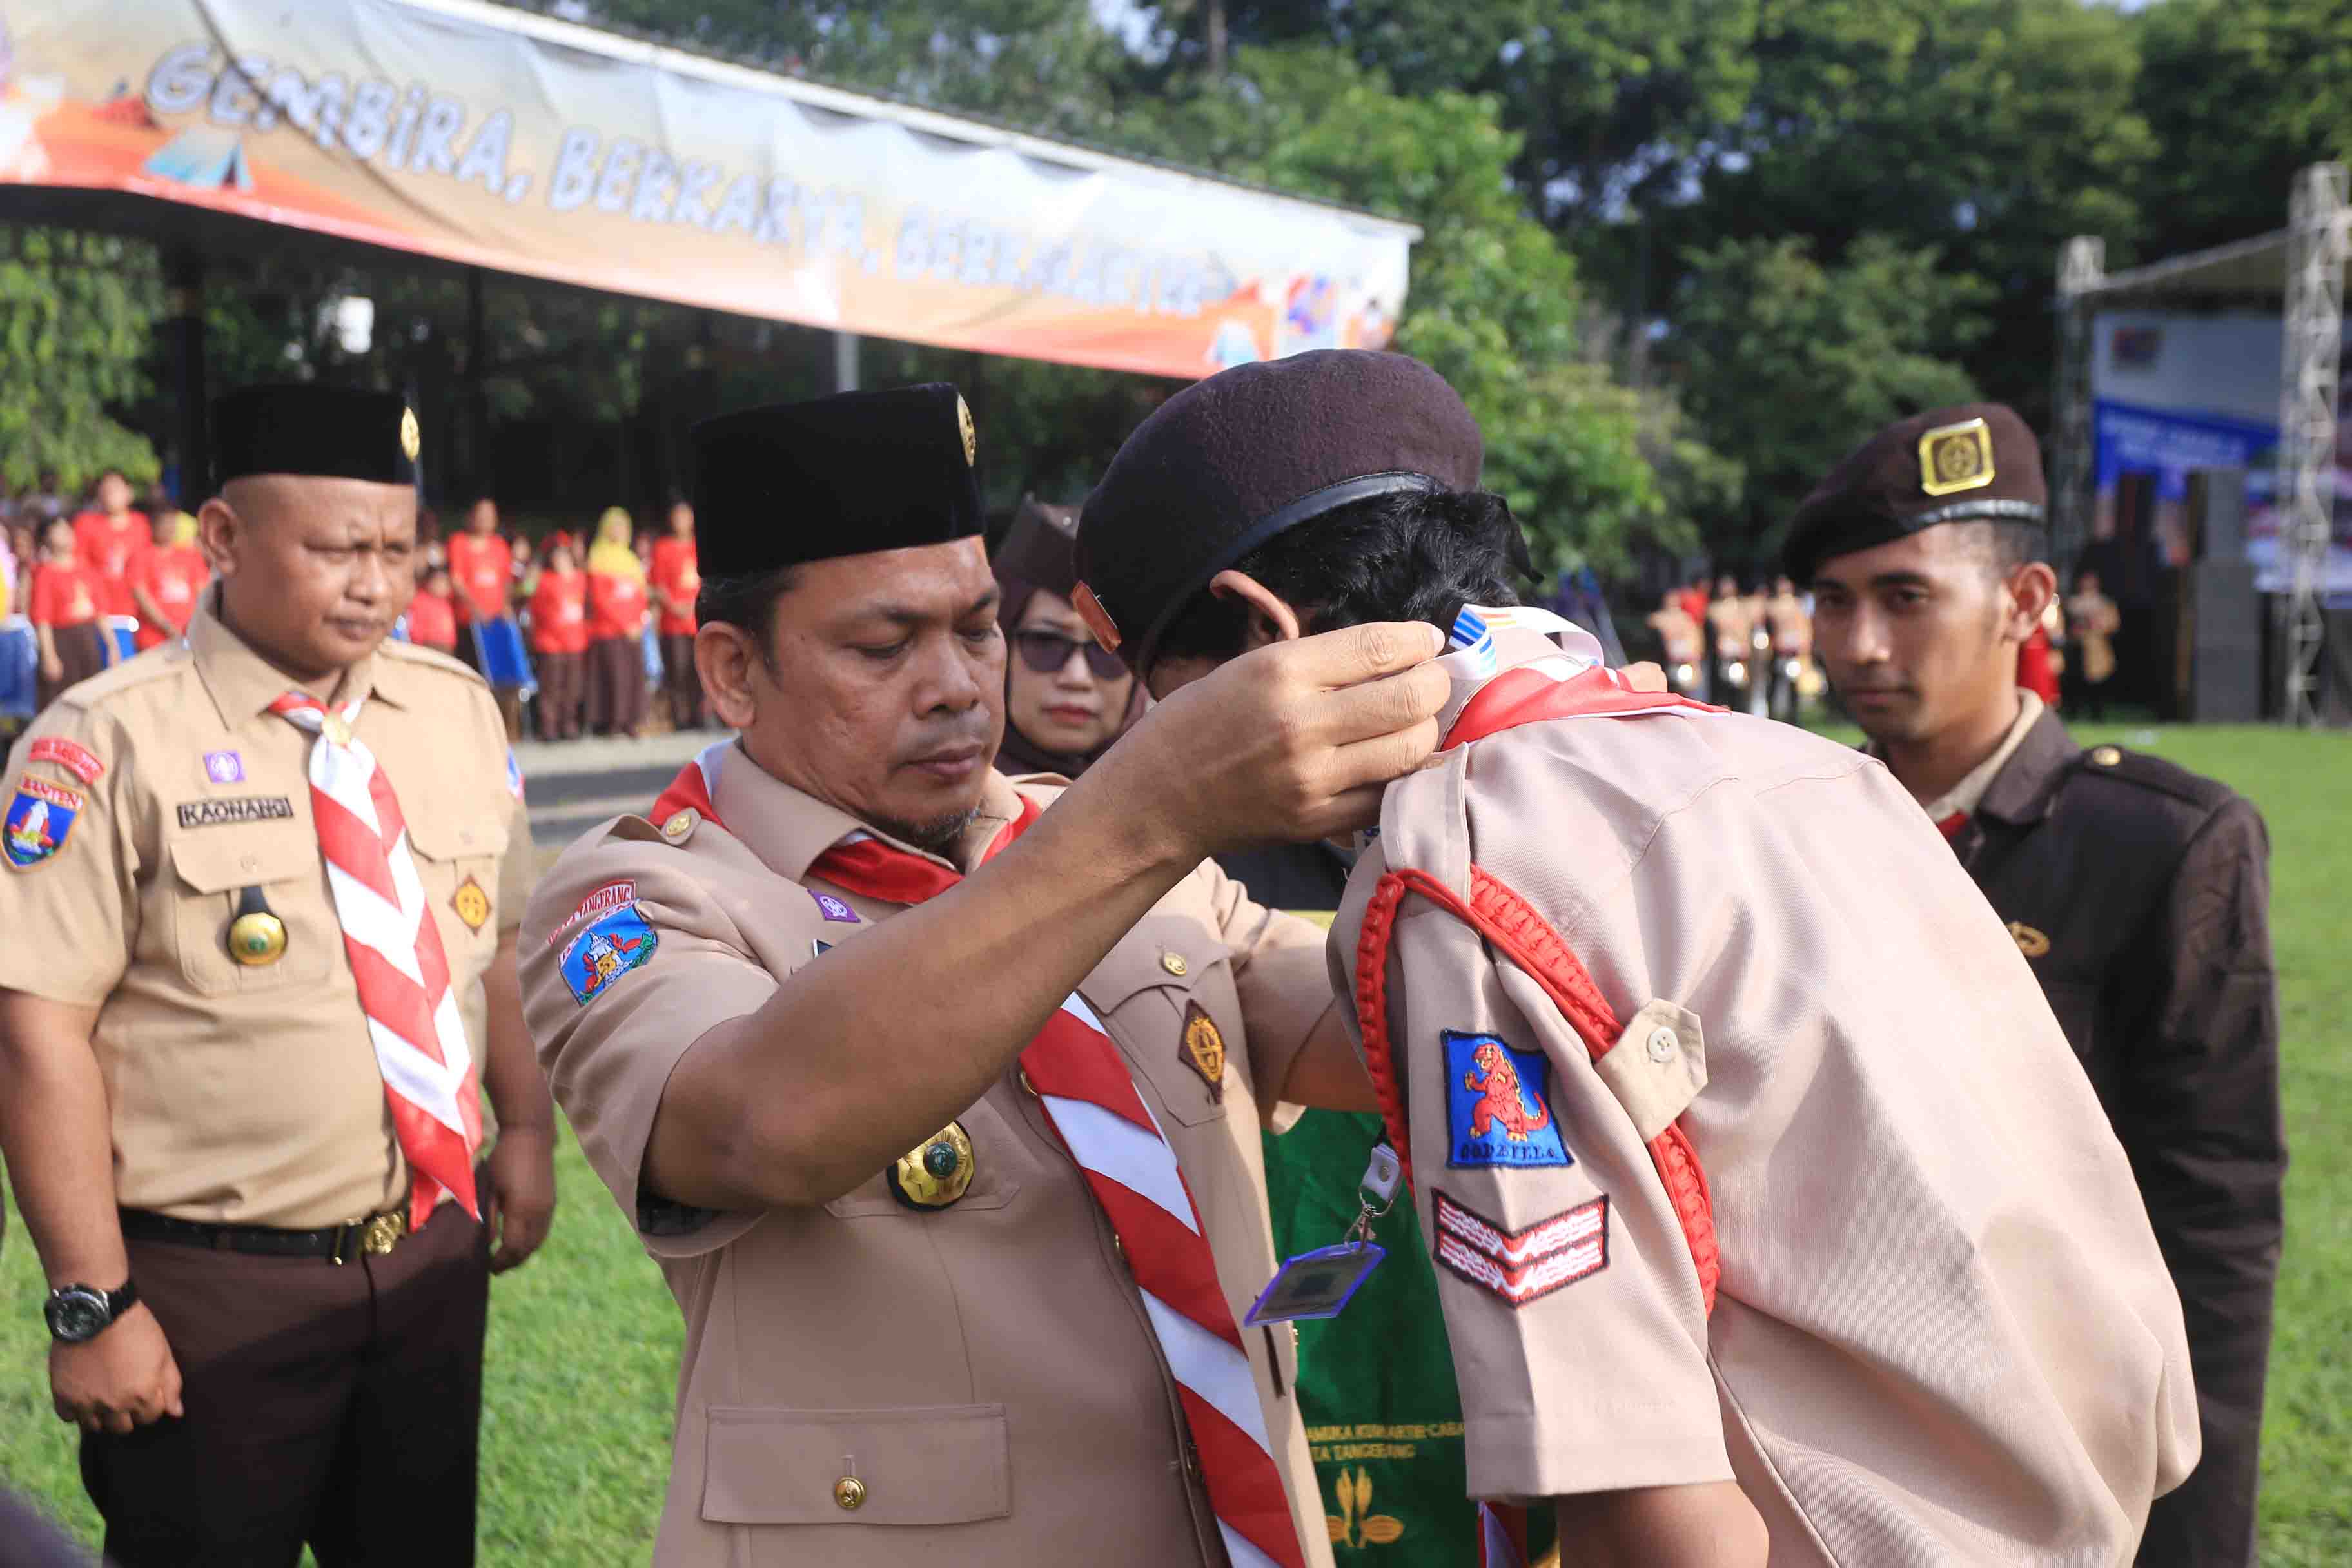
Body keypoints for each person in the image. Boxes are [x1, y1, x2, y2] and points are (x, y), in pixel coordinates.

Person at [1074, 350, 2200, 1568]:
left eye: (1169, 694)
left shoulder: (1458, 867)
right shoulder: (1802, 765)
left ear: (1265, 630)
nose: (1156, 739)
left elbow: (1645, 1510)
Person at [519, 382, 1455, 1567]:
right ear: (732, 670)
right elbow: (758, 1126)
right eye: (882, 645)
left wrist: (1490, 785)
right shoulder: (647, 894)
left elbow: (1362, 1024)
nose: (959, 684)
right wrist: (1141, 814)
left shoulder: (1090, 845)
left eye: (975, 628)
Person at [0, 385, 556, 1568]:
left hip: (426, 1262)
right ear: (221, 538)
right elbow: (35, 1026)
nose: (373, 581)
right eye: (335, 548)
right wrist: (92, 1302)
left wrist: (528, 1132)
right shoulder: (103, 740)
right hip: (213, 1291)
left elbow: (492, 945)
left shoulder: (453, 711)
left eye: (398, 550)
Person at [1792, 402, 2282, 1568]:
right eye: (1832, 599)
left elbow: (2210, 1217)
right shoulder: (1783, 826)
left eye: (1903, 597)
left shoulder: (2160, 843)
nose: (1856, 644)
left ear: (2021, 602)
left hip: (2056, 1434)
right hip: (1834, 1435)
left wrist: (2189, 1536)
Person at [990, 495, 1139, 778]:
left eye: (1107, 651)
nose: (1076, 678)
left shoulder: (1188, 800)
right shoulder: (940, 807)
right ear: (998, 644)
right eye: (1046, 643)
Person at [447, 496, 527, 739]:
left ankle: (506, 729)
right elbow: (457, 581)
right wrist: (474, 608)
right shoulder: (459, 543)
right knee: (474, 676)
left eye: (491, 515)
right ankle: (474, 730)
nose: (486, 520)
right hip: (470, 625)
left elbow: (506, 582)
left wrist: (504, 605)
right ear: (471, 516)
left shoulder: (500, 545)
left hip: (497, 624)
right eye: (481, 514)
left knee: (503, 678)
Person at [583, 506, 649, 738]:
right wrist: (624, 624)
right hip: (609, 631)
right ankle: (612, 722)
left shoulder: (630, 560)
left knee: (633, 675)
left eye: (623, 526)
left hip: (633, 629)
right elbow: (601, 600)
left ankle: (631, 721)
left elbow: (641, 596)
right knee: (614, 675)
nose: (620, 531)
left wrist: (638, 622)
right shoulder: (597, 558)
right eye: (615, 526)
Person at [29, 516, 106, 710]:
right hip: (62, 642)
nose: (65, 534)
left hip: (88, 640)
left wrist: (112, 646)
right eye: (58, 530)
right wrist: (49, 655)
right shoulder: (45, 574)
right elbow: (42, 619)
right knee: (61, 703)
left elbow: (100, 613)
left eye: (67, 529)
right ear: (46, 539)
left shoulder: (87, 569)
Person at [649, 496, 704, 730]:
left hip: (698, 618)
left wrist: (693, 605)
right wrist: (674, 606)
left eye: (686, 515)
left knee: (699, 670)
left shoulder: (699, 546)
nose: (682, 520)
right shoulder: (663, 548)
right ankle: (680, 718)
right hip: (673, 622)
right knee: (677, 669)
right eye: (678, 516)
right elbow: (657, 584)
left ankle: (699, 715)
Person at [527, 534, 589, 741]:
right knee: (551, 688)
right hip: (550, 643)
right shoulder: (543, 580)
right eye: (556, 555)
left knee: (572, 688)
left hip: (575, 642)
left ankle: (568, 724)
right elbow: (529, 599)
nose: (560, 559)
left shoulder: (580, 578)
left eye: (564, 555)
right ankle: (549, 727)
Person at [71, 470, 149, 619]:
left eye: (115, 489)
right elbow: (78, 567)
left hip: (136, 610)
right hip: (99, 610)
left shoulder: (141, 523)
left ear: (129, 493)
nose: (110, 493)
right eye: (105, 489)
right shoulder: (85, 524)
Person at [128, 506, 207, 652]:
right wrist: (167, 627)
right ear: (153, 526)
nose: (170, 528)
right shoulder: (141, 557)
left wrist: (196, 625)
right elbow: (141, 595)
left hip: (190, 636)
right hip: (153, 640)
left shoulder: (190, 555)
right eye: (165, 523)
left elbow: (202, 592)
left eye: (173, 523)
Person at [2067, 568, 2121, 721]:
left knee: (2097, 684)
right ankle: (2073, 714)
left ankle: (2096, 715)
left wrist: (2097, 624)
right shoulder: (2073, 603)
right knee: (2075, 684)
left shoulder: (2104, 603)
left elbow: (2112, 624)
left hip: (2096, 649)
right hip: (2077, 648)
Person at [1763, 574, 1812, 723]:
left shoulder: (1798, 605)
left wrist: (1803, 644)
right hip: (1778, 650)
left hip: (1794, 650)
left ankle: (1793, 717)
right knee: (1775, 683)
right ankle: (1772, 716)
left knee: (1793, 686)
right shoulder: (1771, 607)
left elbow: (1805, 627)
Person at [1645, 587, 1705, 700]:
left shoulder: (1687, 618)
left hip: (1685, 661)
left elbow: (1696, 639)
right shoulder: (1658, 618)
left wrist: (1694, 654)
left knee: (1687, 690)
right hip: (1666, 661)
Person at [406, 562, 460, 656]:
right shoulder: (419, 600)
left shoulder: (447, 602)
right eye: (438, 581)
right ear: (429, 582)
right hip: (427, 647)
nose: (441, 585)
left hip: (447, 649)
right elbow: (414, 627)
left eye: (445, 582)